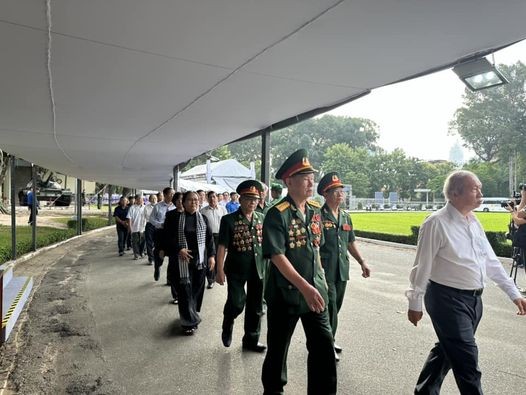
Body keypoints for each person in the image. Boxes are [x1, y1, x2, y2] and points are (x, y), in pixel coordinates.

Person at [407, 170, 526, 395]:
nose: (481, 193)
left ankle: (424, 391)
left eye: (480, 188)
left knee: (447, 350)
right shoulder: (436, 223)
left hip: (473, 301)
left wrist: (514, 294)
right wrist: (415, 303)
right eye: (475, 189)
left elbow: (490, 261)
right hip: (446, 300)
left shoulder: (472, 221)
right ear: (455, 193)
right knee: (467, 362)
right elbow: (422, 266)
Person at [261, 149, 336, 395]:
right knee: (278, 349)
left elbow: (316, 249)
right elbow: (277, 255)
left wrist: (320, 282)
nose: (311, 181)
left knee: (324, 345)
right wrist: (305, 287)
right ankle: (274, 390)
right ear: (288, 181)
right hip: (287, 294)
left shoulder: (315, 210)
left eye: (312, 176)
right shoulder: (276, 213)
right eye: (305, 177)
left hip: (315, 292)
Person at [317, 172, 371, 361]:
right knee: (330, 305)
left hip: (342, 269)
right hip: (325, 270)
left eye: (341, 190)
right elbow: (314, 244)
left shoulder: (346, 217)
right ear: (325, 194)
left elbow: (350, 242)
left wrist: (362, 261)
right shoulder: (318, 216)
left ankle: (328, 338)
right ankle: (327, 343)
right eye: (335, 191)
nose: (340, 194)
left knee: (336, 305)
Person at [216, 180, 266, 352]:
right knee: (237, 303)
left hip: (258, 269)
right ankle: (228, 320)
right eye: (248, 198)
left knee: (256, 307)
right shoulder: (228, 220)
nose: (252, 202)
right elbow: (222, 245)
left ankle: (251, 340)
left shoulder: (261, 218)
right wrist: (219, 269)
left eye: (255, 199)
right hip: (236, 269)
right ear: (240, 199)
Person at [162, 191, 216, 335]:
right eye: (190, 200)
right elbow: (166, 238)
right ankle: (188, 323)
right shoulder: (175, 219)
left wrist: (211, 256)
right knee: (185, 292)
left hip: (199, 262)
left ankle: (191, 314)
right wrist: (179, 249)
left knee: (196, 291)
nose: (194, 202)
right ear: (183, 203)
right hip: (182, 262)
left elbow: (209, 239)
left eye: (196, 200)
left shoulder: (203, 219)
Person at [200, 191, 227, 289]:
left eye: (214, 197)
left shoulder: (223, 210)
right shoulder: (203, 211)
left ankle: (216, 274)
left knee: (219, 257)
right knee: (210, 257)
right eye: (210, 197)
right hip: (208, 237)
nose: (212, 199)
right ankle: (210, 279)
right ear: (207, 199)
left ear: (217, 198)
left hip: (220, 236)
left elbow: (226, 224)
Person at [149, 187, 175, 281]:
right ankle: (157, 267)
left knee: (172, 255)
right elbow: (151, 219)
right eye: (171, 194)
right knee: (159, 254)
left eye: (173, 194)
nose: (173, 196)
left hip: (172, 234)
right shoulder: (158, 206)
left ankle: (169, 278)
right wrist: (160, 224)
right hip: (160, 233)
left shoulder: (176, 206)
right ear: (165, 195)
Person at [127, 193, 146, 260]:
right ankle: (136, 254)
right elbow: (129, 218)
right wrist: (129, 227)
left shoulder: (145, 207)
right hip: (134, 228)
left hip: (143, 228)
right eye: (139, 199)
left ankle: (141, 252)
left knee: (143, 242)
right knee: (135, 242)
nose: (140, 200)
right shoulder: (132, 208)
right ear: (136, 200)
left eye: (141, 199)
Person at [144, 194, 158, 265]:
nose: (154, 200)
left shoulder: (160, 206)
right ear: (149, 200)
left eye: (155, 198)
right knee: (149, 242)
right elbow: (143, 218)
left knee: (157, 242)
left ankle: (156, 257)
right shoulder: (146, 207)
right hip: (149, 225)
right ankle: (151, 258)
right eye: (152, 198)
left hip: (157, 226)